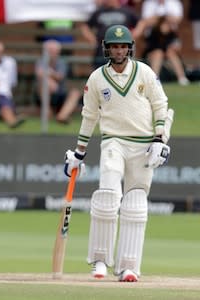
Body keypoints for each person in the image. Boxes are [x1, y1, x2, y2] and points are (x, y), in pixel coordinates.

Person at [64, 25, 172, 282]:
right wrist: (79, 153)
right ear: (107, 49)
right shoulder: (97, 78)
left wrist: (159, 138)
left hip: (144, 144)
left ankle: (129, 266)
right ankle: (100, 261)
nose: (119, 50)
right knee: (108, 195)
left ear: (130, 48)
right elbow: (89, 116)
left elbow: (160, 105)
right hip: (113, 141)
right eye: (114, 46)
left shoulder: (144, 71)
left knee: (135, 203)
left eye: (123, 46)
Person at [79, 0, 140, 69]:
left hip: (122, 46)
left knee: (124, 69)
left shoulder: (127, 11)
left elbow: (141, 22)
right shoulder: (99, 12)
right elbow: (85, 26)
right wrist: (92, 39)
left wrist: (134, 34)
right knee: (101, 69)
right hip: (103, 47)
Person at [35, 39, 82, 124]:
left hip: (60, 93)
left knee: (75, 93)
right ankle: (47, 113)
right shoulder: (41, 61)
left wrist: (48, 72)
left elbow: (60, 76)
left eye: (55, 51)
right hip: (44, 94)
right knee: (46, 84)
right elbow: (39, 74)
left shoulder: (62, 62)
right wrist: (50, 79)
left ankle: (62, 116)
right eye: (50, 51)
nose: (53, 53)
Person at [142, 16, 189, 85]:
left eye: (168, 25)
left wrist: (174, 48)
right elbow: (151, 47)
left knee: (170, 53)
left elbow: (177, 48)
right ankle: (155, 79)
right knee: (159, 53)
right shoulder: (154, 33)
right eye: (164, 24)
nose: (166, 27)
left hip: (167, 56)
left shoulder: (172, 34)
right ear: (160, 25)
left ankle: (181, 77)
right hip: (153, 55)